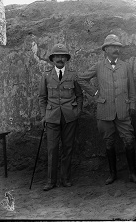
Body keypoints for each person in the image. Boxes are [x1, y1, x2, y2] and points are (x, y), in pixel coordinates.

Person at [77, 34, 136, 185]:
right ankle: (112, 174)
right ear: (105, 50)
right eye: (112, 47)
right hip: (105, 111)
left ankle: (132, 174)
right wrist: (96, 93)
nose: (116, 49)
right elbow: (80, 79)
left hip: (123, 111)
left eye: (118, 47)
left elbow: (132, 88)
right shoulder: (99, 66)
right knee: (109, 143)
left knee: (129, 141)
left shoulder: (125, 66)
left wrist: (132, 105)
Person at [38, 43, 83, 191]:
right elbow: (42, 98)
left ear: (66, 59)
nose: (60, 59)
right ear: (52, 59)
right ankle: (51, 181)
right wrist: (44, 115)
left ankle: (65, 178)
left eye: (63, 56)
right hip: (52, 117)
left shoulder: (73, 75)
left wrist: (77, 112)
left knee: (68, 148)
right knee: (52, 149)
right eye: (57, 56)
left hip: (69, 117)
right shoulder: (46, 75)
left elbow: (79, 95)